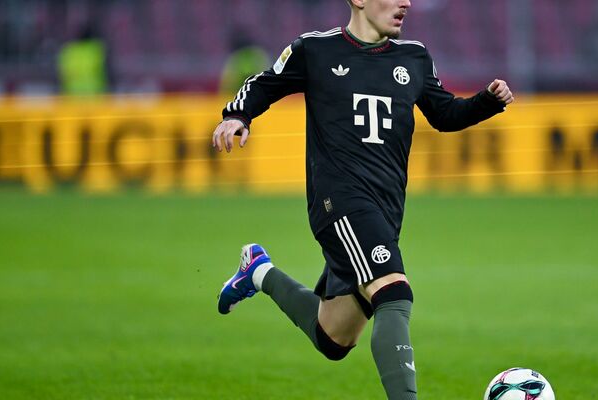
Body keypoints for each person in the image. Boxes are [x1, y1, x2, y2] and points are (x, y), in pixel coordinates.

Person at [212, 1, 513, 399]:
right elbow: (265, 83)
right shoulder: (315, 49)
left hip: (385, 211)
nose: (406, 2)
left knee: (333, 338)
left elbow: (444, 114)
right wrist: (238, 115)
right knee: (394, 292)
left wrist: (487, 102)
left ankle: (259, 272)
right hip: (338, 202)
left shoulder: (414, 57)